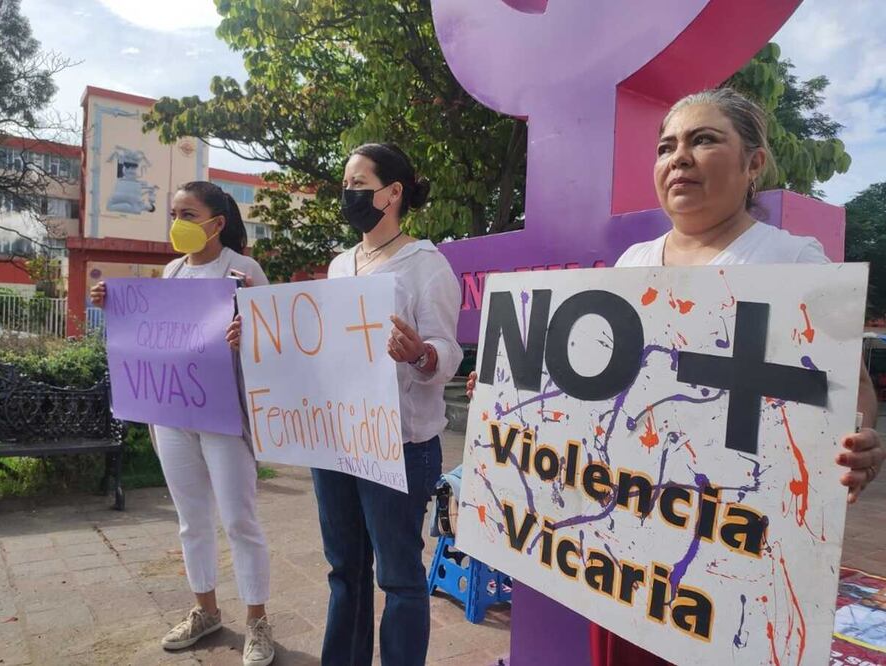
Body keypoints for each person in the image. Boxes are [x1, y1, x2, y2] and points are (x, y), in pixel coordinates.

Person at [466, 87, 884, 665]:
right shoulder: (632, 265)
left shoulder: (791, 262)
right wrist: (508, 389)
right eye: (667, 146)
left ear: (753, 163)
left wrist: (859, 437)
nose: (679, 157)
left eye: (704, 139)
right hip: (625, 543)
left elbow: (850, 384)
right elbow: (586, 389)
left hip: (727, 553)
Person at [228, 142, 463, 666]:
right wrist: (260, 341)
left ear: (393, 193)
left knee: (399, 577)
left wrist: (420, 353)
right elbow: (319, 350)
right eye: (345, 184)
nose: (348, 193)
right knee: (344, 570)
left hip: (398, 446)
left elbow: (449, 354)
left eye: (360, 183)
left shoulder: (427, 266)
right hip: (335, 442)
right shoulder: (340, 265)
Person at [91, 181, 275, 666]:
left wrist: (251, 331)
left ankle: (257, 620)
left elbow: (276, 341)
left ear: (217, 223)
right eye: (173, 213)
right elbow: (156, 332)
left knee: (239, 520)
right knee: (191, 520)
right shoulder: (171, 271)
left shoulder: (243, 270)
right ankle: (205, 610)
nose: (178, 223)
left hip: (225, 417)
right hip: (173, 415)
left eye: (188, 214)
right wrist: (112, 303)